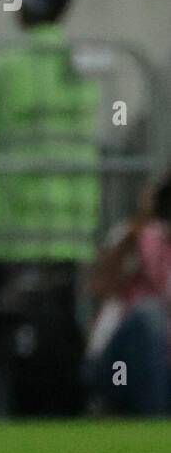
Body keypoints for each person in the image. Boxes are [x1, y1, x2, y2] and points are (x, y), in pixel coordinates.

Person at [0, 0, 100, 415]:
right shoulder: (86, 67)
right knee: (66, 324)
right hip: (70, 222)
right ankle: (70, 405)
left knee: (0, 326)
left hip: (6, 222)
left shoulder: (0, 66)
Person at [86, 168, 171, 415]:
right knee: (150, 315)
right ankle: (160, 424)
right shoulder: (133, 235)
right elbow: (99, 286)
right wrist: (139, 231)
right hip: (118, 365)